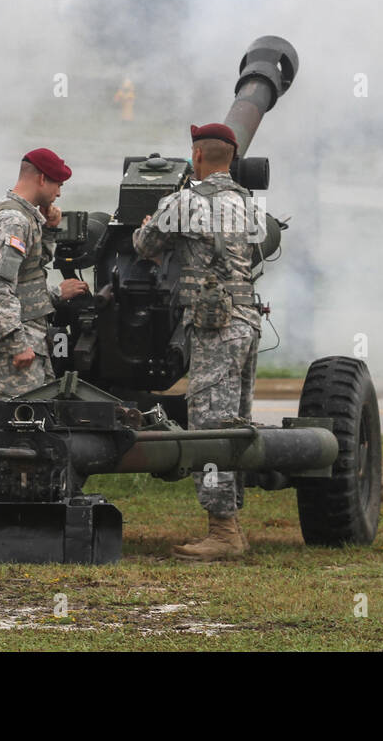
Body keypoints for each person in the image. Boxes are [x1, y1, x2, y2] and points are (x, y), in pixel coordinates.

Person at [132, 123, 263, 561]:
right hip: (247, 321)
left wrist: (149, 224)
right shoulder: (249, 204)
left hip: (214, 326)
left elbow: (145, 244)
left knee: (208, 427)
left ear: (197, 157)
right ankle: (232, 524)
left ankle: (222, 531)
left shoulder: (185, 202)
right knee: (237, 423)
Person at [0, 149, 88, 399]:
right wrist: (16, 343)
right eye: (58, 184)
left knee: (33, 423)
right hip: (12, 351)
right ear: (42, 179)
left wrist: (51, 230)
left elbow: (30, 268)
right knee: (15, 428)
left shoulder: (23, 217)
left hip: (26, 341)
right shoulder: (13, 220)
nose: (59, 193)